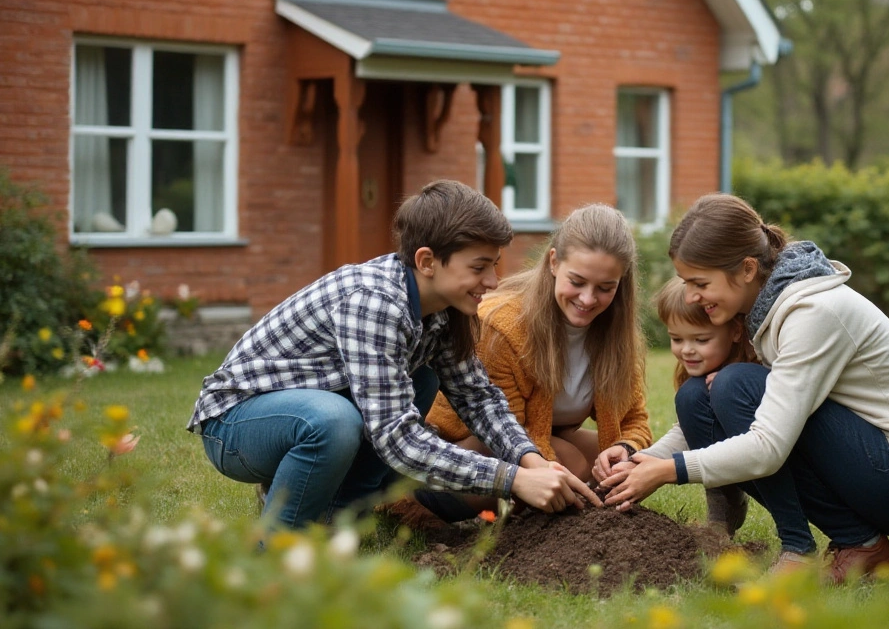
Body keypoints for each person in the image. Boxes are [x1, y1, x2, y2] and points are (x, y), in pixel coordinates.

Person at [187, 180, 600, 529]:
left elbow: (478, 397)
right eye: (479, 268)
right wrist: (509, 480)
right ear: (427, 261)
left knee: (421, 379)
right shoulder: (374, 302)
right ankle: (278, 546)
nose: (492, 281)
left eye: (494, 265)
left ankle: (335, 520)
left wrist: (530, 460)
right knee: (333, 421)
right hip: (236, 425)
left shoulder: (442, 310)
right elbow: (397, 440)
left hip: (308, 409)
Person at [600, 194, 889, 584]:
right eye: (686, 283)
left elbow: (768, 446)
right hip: (869, 464)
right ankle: (858, 543)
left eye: (700, 283)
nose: (690, 297)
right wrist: (640, 462)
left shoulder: (812, 313)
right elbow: (712, 421)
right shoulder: (763, 307)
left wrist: (669, 471)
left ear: (748, 269)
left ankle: (824, 547)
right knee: (696, 396)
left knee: (733, 385)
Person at [416, 203, 652, 522]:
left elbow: (635, 419)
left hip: (539, 436)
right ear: (554, 262)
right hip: (464, 446)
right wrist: (565, 474)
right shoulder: (503, 327)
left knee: (612, 464)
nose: (587, 299)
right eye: (577, 281)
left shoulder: (616, 338)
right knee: (575, 464)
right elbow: (504, 430)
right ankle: (446, 507)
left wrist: (625, 449)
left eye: (605, 288)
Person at [622, 276, 756, 537]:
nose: (687, 351)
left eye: (701, 340)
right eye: (677, 339)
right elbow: (689, 430)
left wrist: (732, 387)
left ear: (736, 331)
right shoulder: (696, 376)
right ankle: (722, 517)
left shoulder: (758, 363)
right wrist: (645, 460)